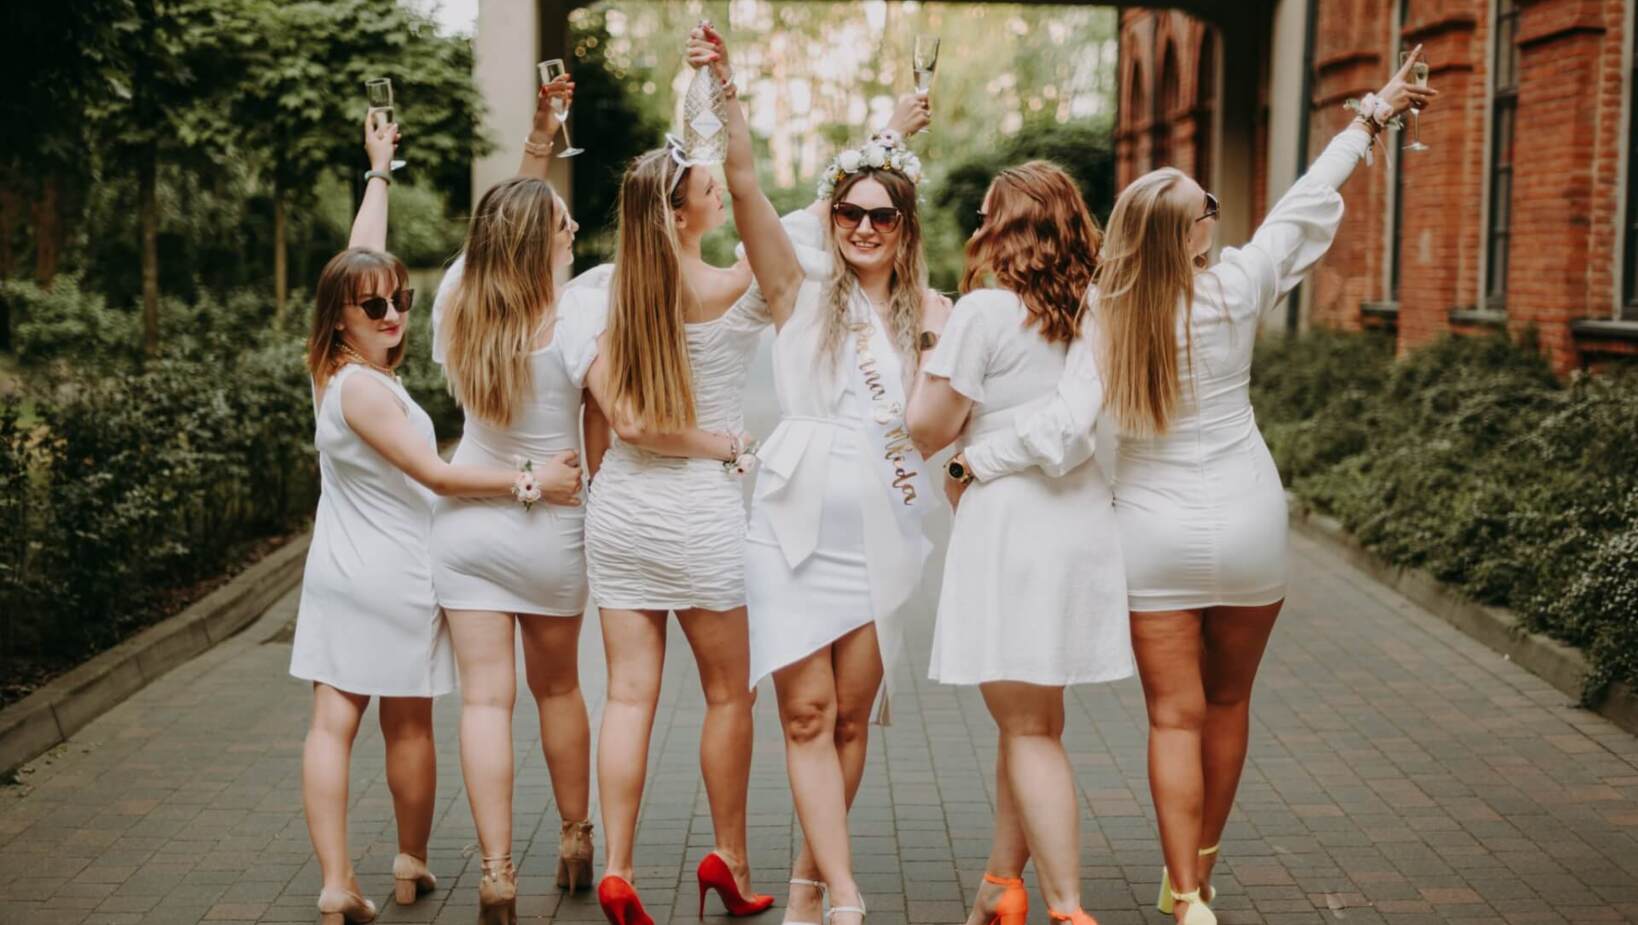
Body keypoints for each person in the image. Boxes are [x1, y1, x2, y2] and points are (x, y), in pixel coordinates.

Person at [948, 50, 1437, 925]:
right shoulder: (1240, 286)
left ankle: (1186, 897)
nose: (1217, 209)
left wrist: (975, 459)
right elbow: (1306, 202)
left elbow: (1061, 429)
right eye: (1206, 203)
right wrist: (1373, 115)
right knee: (1229, 701)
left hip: (1151, 534)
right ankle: (1198, 876)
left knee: (1173, 716)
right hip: (1249, 520)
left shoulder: (1108, 311)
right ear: (1193, 235)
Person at [684, 25, 944, 925]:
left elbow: (948, 421)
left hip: (879, 531)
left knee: (849, 719)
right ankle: (847, 894)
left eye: (882, 215)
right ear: (831, 219)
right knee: (805, 713)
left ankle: (806, 883)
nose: (863, 226)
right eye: (849, 213)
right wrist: (725, 90)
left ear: (904, 227)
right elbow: (746, 185)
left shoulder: (928, 315)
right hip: (792, 530)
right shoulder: (795, 290)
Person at [289, 112, 536, 925]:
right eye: (375, 306)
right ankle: (396, 864)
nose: (393, 312)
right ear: (342, 317)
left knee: (334, 723)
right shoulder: (365, 389)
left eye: (401, 299)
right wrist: (529, 479)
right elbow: (436, 474)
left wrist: (378, 171)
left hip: (338, 572)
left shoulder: (332, 374)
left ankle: (359, 875)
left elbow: (356, 261)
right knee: (402, 726)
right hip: (395, 575)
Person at [554, 47, 775, 925]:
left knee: (628, 694)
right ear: (685, 213)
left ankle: (618, 866)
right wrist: (726, 442)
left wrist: (702, 97)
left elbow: (626, 422)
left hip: (621, 511)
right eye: (709, 188)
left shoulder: (605, 296)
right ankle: (729, 857)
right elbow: (773, 221)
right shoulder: (737, 286)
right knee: (728, 693)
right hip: (702, 511)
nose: (721, 191)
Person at [905, 160, 1132, 925]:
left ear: (1006, 228)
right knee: (1034, 721)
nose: (976, 226)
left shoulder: (981, 313)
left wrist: (932, 341)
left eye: (984, 215)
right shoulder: (1096, 309)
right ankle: (1002, 884)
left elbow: (926, 427)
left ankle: (1068, 906)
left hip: (1009, 524)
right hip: (1078, 523)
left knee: (1029, 727)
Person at [428, 74, 596, 925]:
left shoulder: (458, 301)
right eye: (564, 225)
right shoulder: (577, 316)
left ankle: (496, 871)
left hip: (466, 528)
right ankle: (575, 837)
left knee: (485, 701)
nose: (574, 231)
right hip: (551, 525)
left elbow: (503, 223)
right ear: (544, 243)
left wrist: (537, 140)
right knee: (557, 691)